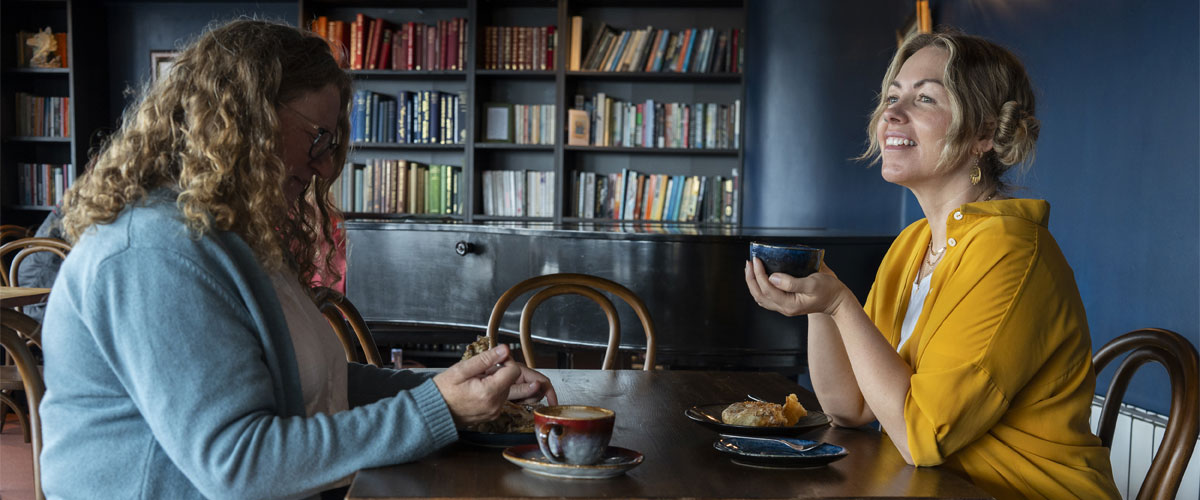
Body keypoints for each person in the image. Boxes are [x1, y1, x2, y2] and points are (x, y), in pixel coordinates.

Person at [39, 19, 556, 499]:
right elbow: (239, 466)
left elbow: (319, 387)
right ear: (246, 118)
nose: (327, 163)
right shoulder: (154, 251)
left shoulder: (231, 234)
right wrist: (438, 407)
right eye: (319, 137)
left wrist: (456, 388)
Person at [745, 30, 1119, 500]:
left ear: (984, 133)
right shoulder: (913, 244)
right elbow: (849, 407)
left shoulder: (1011, 252)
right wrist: (820, 304)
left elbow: (923, 437)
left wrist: (842, 305)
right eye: (892, 96)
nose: (892, 114)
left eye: (924, 99)